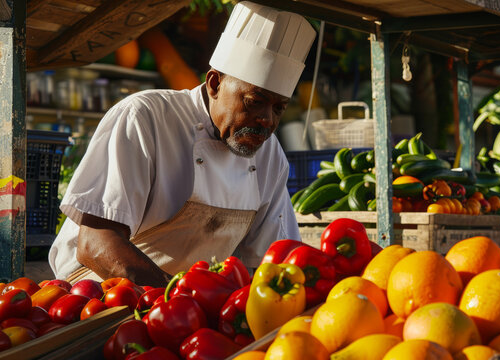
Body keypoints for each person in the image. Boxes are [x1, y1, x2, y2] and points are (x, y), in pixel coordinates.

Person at [48, 1, 317, 287]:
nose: (266, 120)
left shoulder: (270, 156)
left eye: (279, 109)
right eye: (255, 102)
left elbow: (273, 261)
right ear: (214, 84)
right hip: (95, 291)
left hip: (180, 308)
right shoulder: (145, 117)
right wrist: (176, 300)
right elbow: (95, 243)